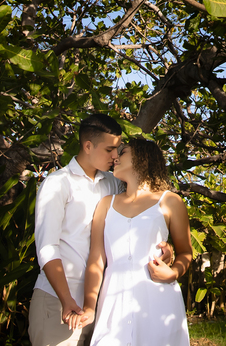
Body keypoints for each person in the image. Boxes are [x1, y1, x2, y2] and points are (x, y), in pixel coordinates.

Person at [30, 114, 142, 346]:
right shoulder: (57, 184)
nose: (115, 156)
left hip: (103, 306)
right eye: (110, 149)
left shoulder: (113, 184)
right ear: (88, 145)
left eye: (118, 149)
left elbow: (135, 226)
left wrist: (166, 248)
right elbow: (47, 248)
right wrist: (66, 299)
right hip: (58, 301)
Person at [70, 139, 193, 346]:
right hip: (113, 303)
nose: (115, 157)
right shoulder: (105, 204)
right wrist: (90, 306)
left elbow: (185, 253)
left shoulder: (170, 201)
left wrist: (173, 273)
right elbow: (97, 259)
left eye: (123, 152)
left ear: (143, 158)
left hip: (158, 300)